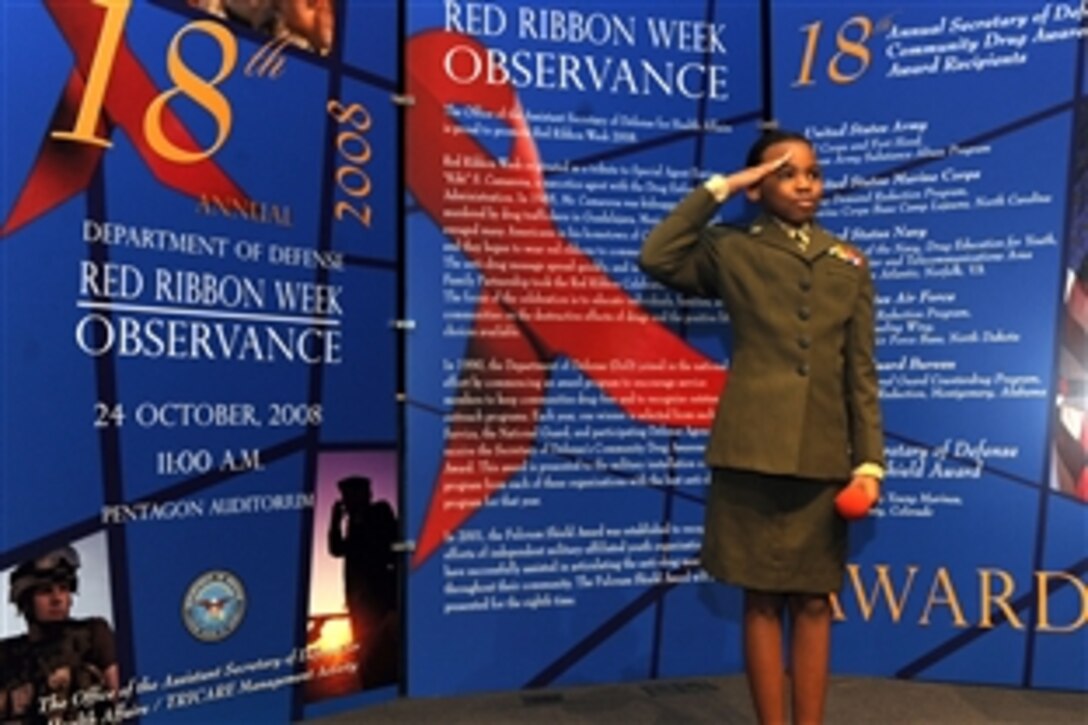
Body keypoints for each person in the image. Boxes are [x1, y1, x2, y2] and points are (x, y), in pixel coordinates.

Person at [639, 128, 884, 725]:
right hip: (750, 451)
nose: (804, 183)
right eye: (786, 172)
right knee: (760, 601)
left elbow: (862, 374)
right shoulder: (732, 248)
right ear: (759, 185)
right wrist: (726, 186)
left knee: (816, 604)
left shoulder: (848, 262)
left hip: (825, 457)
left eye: (813, 173)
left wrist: (870, 461)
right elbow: (658, 255)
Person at [0, 546, 119, 724]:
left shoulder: (93, 633)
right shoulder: (7, 653)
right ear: (26, 601)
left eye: (63, 589)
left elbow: (119, 696)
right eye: (46, 591)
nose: (57, 599)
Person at [327, 475, 398, 687]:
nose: (345, 502)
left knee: (382, 659)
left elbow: (380, 549)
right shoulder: (354, 522)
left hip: (380, 605)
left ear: (364, 495)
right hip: (359, 606)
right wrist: (335, 521)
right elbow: (336, 549)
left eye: (348, 496)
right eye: (344, 497)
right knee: (367, 661)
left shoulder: (379, 512)